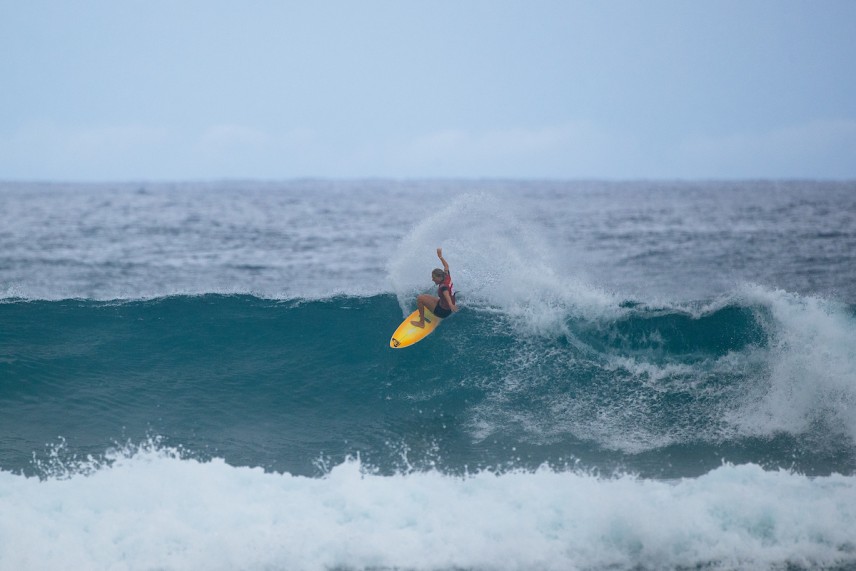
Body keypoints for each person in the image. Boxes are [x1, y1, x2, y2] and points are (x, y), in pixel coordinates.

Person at [411, 247, 458, 328]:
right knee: (424, 296)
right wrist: (440, 256)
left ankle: (421, 323)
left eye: (434, 278)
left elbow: (446, 294)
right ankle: (435, 307)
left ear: (440, 277)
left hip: (442, 312)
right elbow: (446, 266)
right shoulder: (446, 276)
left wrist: (450, 304)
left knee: (420, 298)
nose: (432, 279)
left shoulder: (443, 287)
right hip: (444, 307)